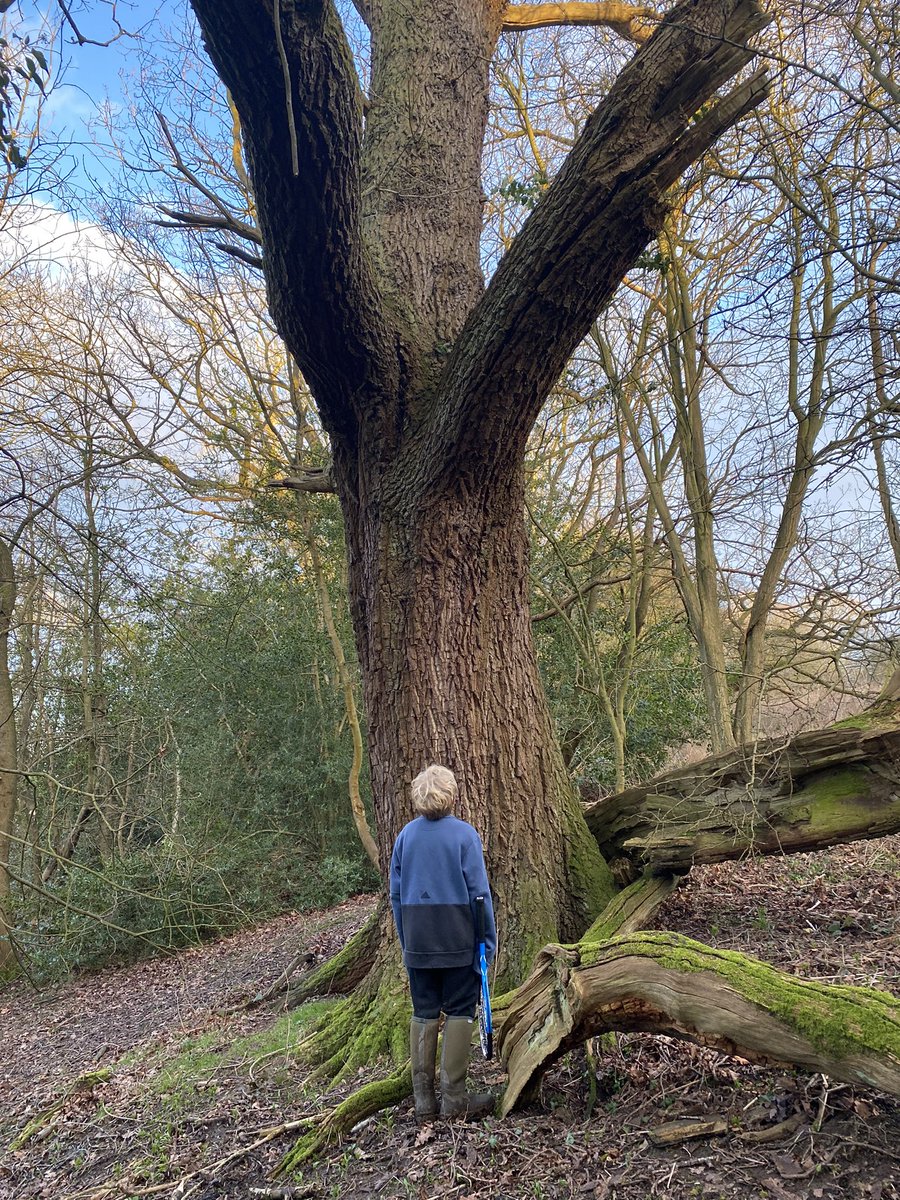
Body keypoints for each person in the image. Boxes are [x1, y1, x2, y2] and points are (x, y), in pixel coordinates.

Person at [389, 764, 497, 1122]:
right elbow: (479, 896)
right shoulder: (465, 836)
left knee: (423, 1012)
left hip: (418, 942)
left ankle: (423, 1101)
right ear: (451, 796)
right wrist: (487, 941)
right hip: (457, 938)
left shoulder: (405, 836)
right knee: (461, 1011)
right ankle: (454, 1099)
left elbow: (395, 895)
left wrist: (407, 943)